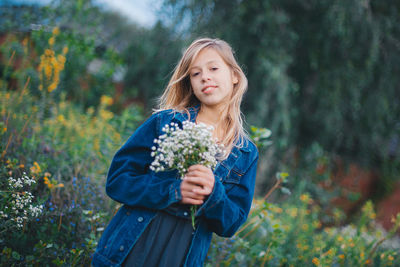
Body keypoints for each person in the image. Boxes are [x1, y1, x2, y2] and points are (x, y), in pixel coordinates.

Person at [91, 38, 259, 267]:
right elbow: (118, 181)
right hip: (132, 248)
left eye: (213, 68)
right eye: (195, 74)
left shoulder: (245, 153)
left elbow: (230, 225)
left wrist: (213, 191)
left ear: (234, 76)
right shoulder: (165, 123)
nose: (205, 77)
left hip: (180, 257)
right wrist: (173, 190)